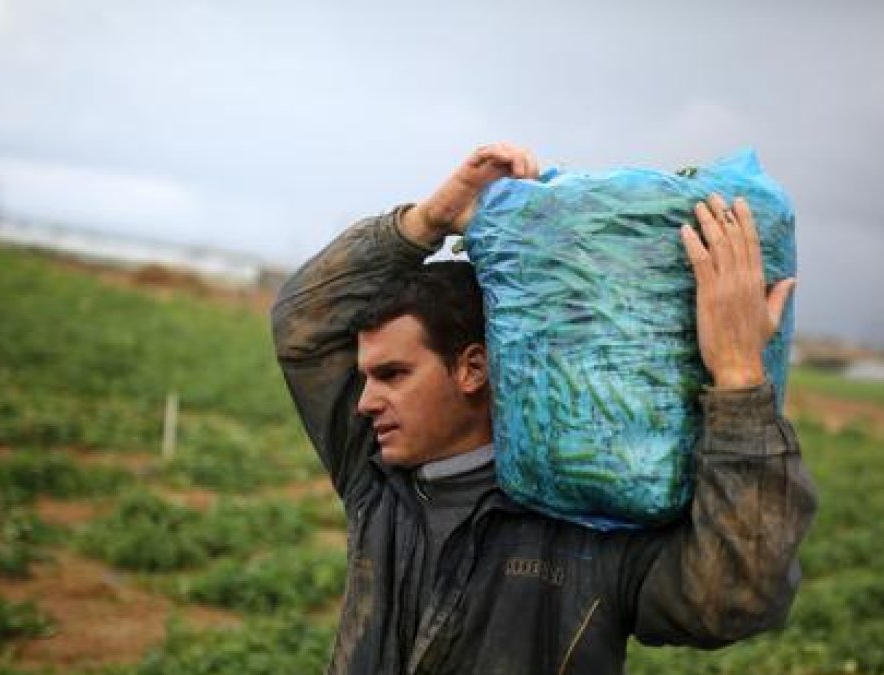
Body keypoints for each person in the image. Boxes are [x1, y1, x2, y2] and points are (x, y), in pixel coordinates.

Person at [271, 143, 817, 674]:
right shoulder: (377, 482)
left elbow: (730, 603)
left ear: (472, 369)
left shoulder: (590, 522)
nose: (364, 403)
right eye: (365, 377)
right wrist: (429, 219)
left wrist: (740, 376)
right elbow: (303, 328)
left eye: (392, 375)